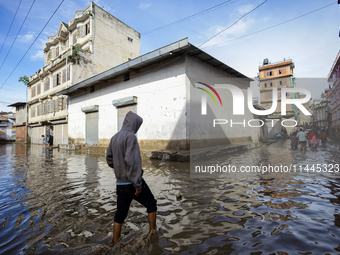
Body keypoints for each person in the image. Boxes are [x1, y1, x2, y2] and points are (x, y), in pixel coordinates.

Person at [106, 111, 157, 245]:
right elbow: (132, 162)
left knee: (120, 214)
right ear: (134, 124)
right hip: (132, 183)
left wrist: (119, 168)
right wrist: (138, 184)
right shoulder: (131, 137)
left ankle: (115, 243)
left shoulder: (114, 137)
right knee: (151, 204)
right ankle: (153, 235)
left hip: (120, 184)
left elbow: (109, 159)